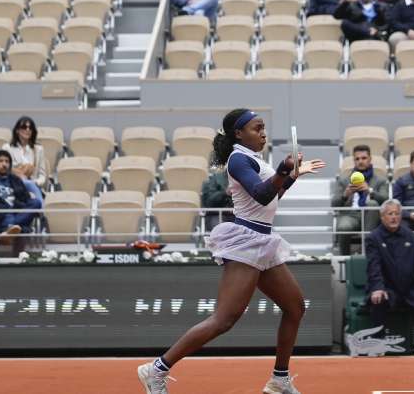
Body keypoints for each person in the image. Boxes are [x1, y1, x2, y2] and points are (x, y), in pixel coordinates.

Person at [138, 109, 324, 394]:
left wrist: (291, 177)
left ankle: (279, 380)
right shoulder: (238, 159)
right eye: (256, 128)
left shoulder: (252, 159)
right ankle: (156, 370)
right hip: (246, 242)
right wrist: (283, 170)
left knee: (294, 307)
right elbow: (261, 194)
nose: (263, 133)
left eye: (264, 128)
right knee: (224, 320)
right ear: (239, 133)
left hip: (263, 241)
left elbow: (271, 197)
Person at [364, 199, 414, 355]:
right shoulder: (373, 238)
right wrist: (378, 288)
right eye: (390, 214)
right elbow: (374, 267)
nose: (394, 217)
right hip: (387, 289)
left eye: (397, 214)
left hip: (409, 290)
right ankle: (378, 343)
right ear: (382, 217)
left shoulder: (411, 237)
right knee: (378, 298)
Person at [333, 144, 390, 255]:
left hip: (372, 217)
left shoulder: (380, 181)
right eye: (357, 159)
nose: (360, 161)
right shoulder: (344, 181)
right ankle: (344, 259)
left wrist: (370, 191)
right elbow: (334, 204)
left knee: (372, 204)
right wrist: (345, 194)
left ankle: (368, 254)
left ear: (370, 159)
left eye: (364, 158)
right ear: (354, 161)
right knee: (344, 226)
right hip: (350, 215)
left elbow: (386, 201)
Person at [7, 115, 46, 202]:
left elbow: (42, 176)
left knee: (30, 186)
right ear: (17, 130)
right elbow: (5, 171)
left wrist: (35, 182)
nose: (27, 130)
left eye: (30, 128)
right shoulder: (7, 148)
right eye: (24, 127)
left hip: (33, 185)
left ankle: (41, 211)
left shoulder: (39, 149)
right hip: (14, 187)